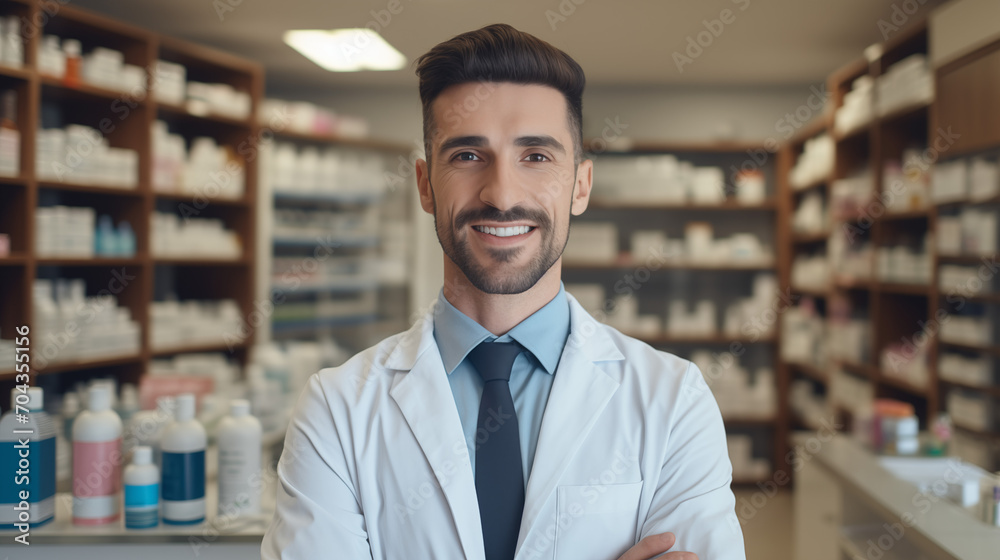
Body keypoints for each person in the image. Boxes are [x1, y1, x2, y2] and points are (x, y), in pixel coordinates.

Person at [261, 23, 746, 560]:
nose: (501, 194)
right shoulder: (337, 409)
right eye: (467, 156)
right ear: (425, 185)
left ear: (580, 186)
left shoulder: (673, 400)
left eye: (536, 156)